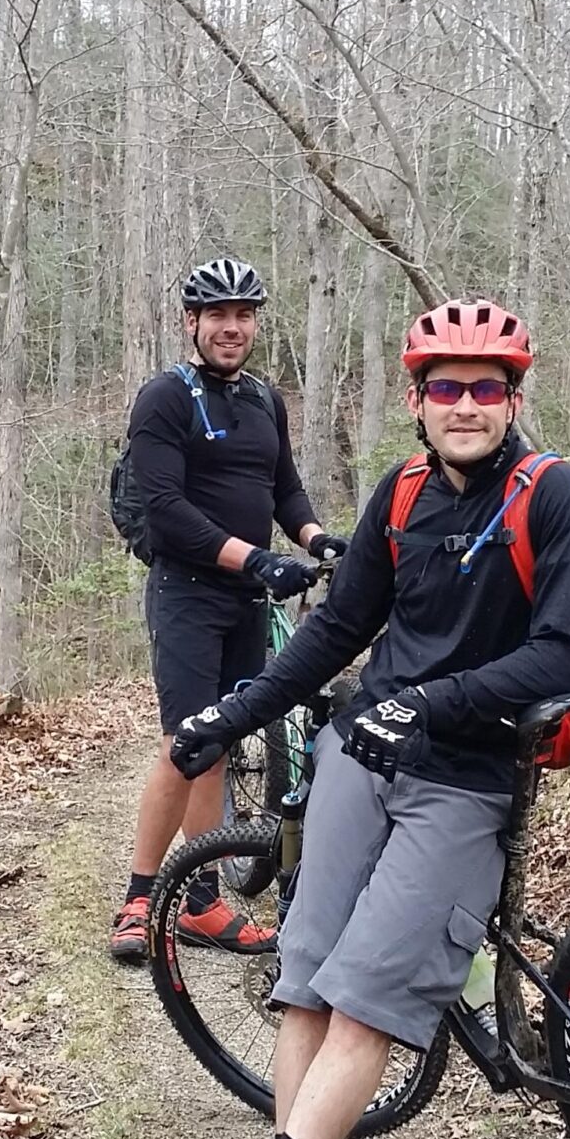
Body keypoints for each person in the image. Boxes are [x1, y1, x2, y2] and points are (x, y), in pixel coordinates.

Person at [158, 299, 570, 1139]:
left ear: (511, 400)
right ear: (416, 399)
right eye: (445, 387)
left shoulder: (555, 497)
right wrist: (227, 720)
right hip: (362, 766)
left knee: (362, 1008)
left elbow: (557, 655)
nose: (464, 404)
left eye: (484, 389)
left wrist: (434, 704)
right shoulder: (401, 497)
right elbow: (336, 631)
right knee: (306, 987)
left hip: (466, 781)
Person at [112, 257, 347, 964]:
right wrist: (255, 558)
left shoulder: (263, 401)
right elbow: (167, 510)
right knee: (186, 744)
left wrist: (312, 537)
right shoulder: (164, 398)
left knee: (219, 743)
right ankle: (136, 900)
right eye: (218, 315)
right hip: (187, 594)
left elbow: (282, 488)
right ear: (192, 323)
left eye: (244, 315)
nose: (232, 328)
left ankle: (203, 902)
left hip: (247, 600)